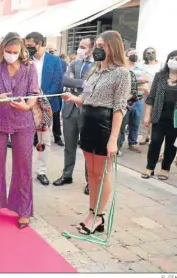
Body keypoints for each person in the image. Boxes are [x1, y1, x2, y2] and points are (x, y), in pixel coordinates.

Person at [62, 30, 130, 235]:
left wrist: (113, 140)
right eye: (97, 46)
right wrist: (73, 98)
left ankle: (98, 216)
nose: (98, 49)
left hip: (105, 124)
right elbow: (87, 98)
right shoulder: (94, 70)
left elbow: (119, 108)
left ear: (113, 47)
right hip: (88, 122)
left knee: (102, 173)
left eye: (102, 46)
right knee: (91, 174)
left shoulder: (122, 73)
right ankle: (91, 214)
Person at [0, 32, 39, 229]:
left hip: (23, 121)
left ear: (21, 50)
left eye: (15, 52)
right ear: (2, 49)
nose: (11, 55)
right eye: (8, 52)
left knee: (23, 165)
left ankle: (23, 210)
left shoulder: (29, 68)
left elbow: (34, 93)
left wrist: (28, 107)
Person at [53, 35, 95, 193]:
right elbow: (65, 80)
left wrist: (80, 84)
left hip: (86, 110)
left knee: (87, 149)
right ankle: (67, 174)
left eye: (84, 47)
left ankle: (90, 180)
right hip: (70, 109)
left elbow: (93, 85)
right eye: (80, 46)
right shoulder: (74, 63)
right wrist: (83, 83)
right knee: (69, 146)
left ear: (92, 49)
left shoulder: (97, 66)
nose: (80, 49)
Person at [24, 32, 64, 185]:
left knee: (44, 141)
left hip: (46, 107)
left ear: (40, 43)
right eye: (27, 46)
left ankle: (41, 171)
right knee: (25, 140)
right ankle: (25, 170)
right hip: (27, 106)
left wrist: (42, 101)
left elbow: (57, 83)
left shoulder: (54, 61)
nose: (28, 48)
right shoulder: (26, 61)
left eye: (30, 45)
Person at [142, 50, 177, 180]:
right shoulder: (160, 76)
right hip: (159, 115)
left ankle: (165, 168)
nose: (174, 61)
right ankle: (149, 167)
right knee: (155, 141)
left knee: (171, 144)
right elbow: (151, 97)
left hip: (175, 118)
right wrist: (147, 116)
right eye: (172, 58)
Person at [118, 49, 149, 156]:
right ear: (126, 55)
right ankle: (119, 144)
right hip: (126, 101)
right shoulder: (122, 67)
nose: (134, 56)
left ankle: (132, 142)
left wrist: (132, 79)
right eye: (132, 54)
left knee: (135, 123)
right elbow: (123, 80)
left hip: (138, 100)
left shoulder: (140, 68)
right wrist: (138, 79)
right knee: (122, 124)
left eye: (136, 54)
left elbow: (146, 79)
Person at [139, 47, 162, 145]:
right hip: (145, 93)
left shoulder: (161, 65)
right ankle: (145, 136)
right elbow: (140, 78)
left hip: (158, 94)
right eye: (148, 53)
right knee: (144, 115)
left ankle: (153, 137)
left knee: (155, 116)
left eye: (153, 52)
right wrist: (146, 89)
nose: (151, 54)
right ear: (145, 55)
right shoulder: (142, 66)